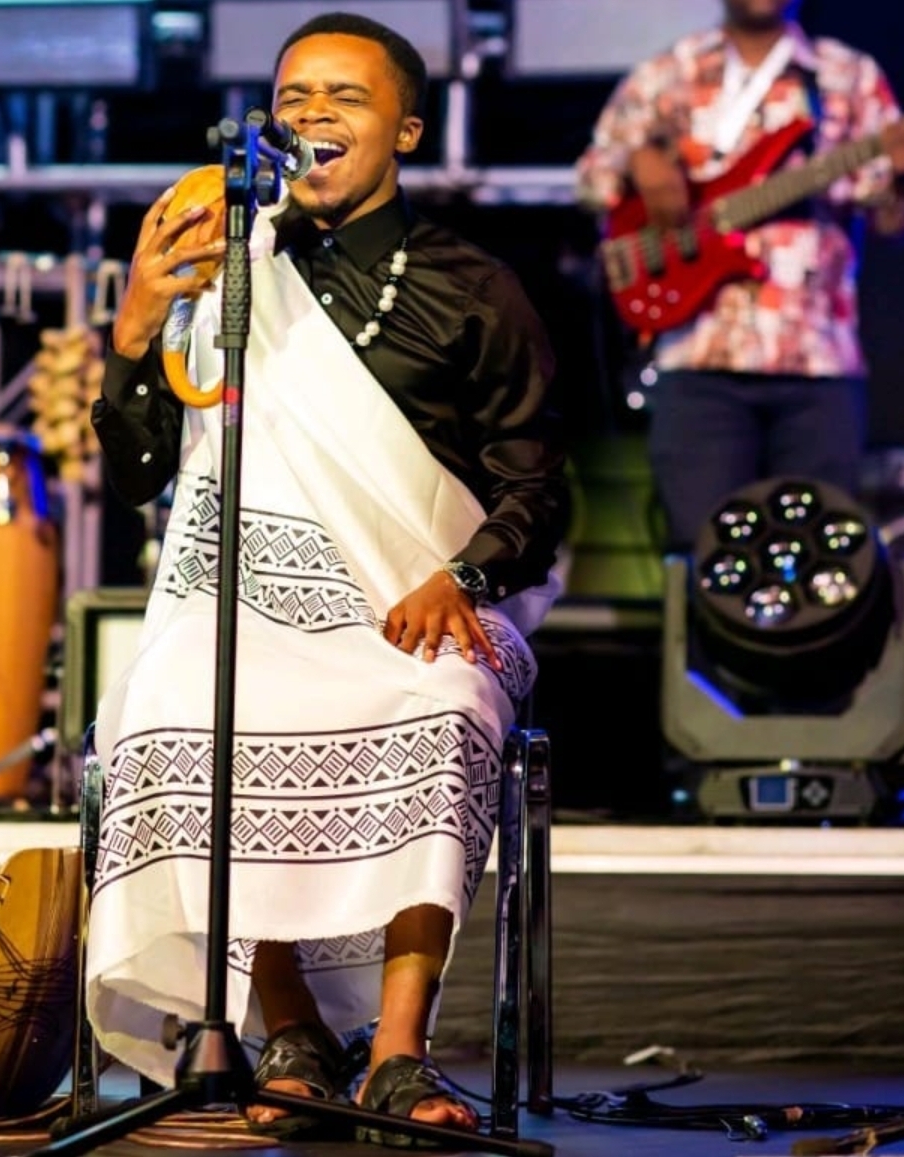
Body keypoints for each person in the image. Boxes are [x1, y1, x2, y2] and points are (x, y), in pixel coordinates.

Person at [86, 10, 570, 1142]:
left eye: (344, 97)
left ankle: (397, 1052)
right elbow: (139, 472)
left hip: (415, 611)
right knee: (179, 703)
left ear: (404, 130)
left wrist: (463, 575)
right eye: (293, 97)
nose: (311, 113)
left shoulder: (473, 287)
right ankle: (289, 1029)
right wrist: (139, 322)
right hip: (244, 606)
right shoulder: (229, 265)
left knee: (445, 703)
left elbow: (538, 492)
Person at [575, 0, 904, 553]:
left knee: (817, 554)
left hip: (818, 360)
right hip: (698, 357)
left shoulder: (848, 76)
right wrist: (639, 161)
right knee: (703, 555)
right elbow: (592, 178)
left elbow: (895, 225)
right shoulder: (671, 70)